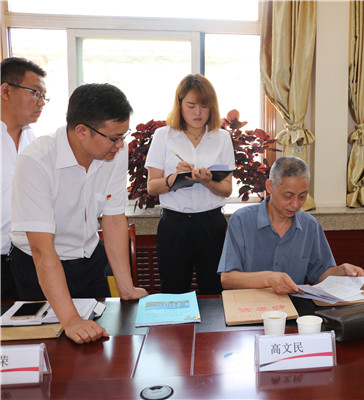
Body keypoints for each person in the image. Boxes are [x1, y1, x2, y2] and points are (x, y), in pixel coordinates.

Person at [10, 83, 148, 344]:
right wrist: (71, 320)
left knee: (101, 340)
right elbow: (42, 250)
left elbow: (114, 219)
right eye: (114, 137)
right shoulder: (36, 161)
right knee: (52, 351)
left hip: (88, 262)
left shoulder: (114, 152)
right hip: (39, 269)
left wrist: (126, 288)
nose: (121, 144)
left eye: (123, 135)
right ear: (82, 131)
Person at [218, 156, 364, 294]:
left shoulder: (309, 225)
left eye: (302, 196)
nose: (295, 204)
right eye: (288, 196)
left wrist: (342, 271)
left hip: (294, 306)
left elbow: (319, 275)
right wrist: (269, 279)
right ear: (269, 186)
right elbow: (227, 279)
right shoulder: (242, 220)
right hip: (250, 305)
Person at [146, 74, 235, 295]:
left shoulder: (222, 137)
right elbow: (152, 187)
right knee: (173, 290)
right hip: (174, 224)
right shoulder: (163, 136)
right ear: (179, 105)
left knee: (214, 290)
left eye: (204, 106)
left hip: (211, 223)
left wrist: (208, 181)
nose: (198, 113)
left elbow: (227, 189)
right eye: (191, 105)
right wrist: (175, 177)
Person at [1, 57, 48, 301]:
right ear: (6, 91)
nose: (41, 103)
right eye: (35, 93)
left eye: (44, 96)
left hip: (26, 257)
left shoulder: (33, 141)